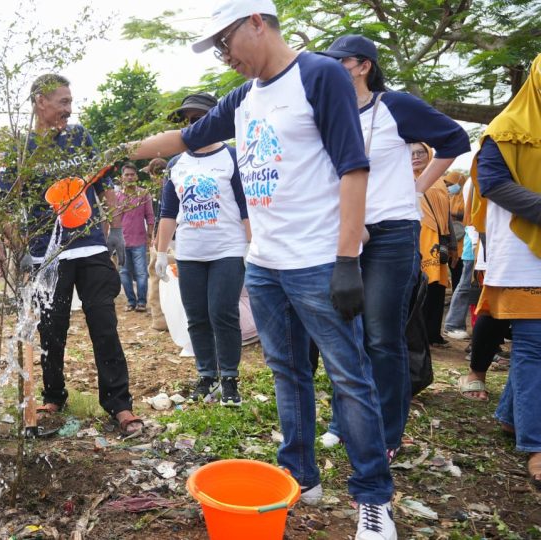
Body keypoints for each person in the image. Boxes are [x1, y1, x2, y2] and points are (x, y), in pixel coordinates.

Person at [126, 2, 396, 537]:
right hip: (266, 264)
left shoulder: (318, 74)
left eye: (227, 42)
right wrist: (116, 152)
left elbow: (353, 167)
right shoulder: (243, 97)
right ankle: (300, 472)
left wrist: (346, 259)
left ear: (257, 21)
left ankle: (373, 499)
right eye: (217, 49)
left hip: (318, 260)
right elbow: (185, 138)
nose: (226, 56)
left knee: (350, 376)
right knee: (288, 371)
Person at [315, 35, 470, 455]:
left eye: (337, 63)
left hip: (390, 233)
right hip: (345, 233)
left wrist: (417, 186)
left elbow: (455, 139)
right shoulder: (326, 113)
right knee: (344, 332)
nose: (327, 71)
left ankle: (385, 434)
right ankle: (342, 420)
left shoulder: (393, 107)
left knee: (382, 336)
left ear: (362, 66)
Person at [0, 73, 142, 438]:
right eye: (62, 101)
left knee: (104, 327)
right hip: (48, 255)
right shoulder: (21, 147)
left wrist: (116, 231)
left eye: (70, 101)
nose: (69, 108)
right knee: (52, 329)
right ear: (40, 102)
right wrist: (18, 251)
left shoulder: (79, 137)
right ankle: (53, 395)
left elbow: (105, 183)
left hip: (91, 246)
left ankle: (119, 405)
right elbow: (6, 204)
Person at [470, 52, 541, 489]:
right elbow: (493, 184)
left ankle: (511, 417)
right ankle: (537, 445)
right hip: (523, 253)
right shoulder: (504, 130)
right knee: (533, 346)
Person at [154, 92, 250, 404]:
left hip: (227, 249)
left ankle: (231, 380)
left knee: (222, 313)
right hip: (190, 251)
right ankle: (206, 376)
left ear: (215, 119)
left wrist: (251, 246)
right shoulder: (176, 163)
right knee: (196, 316)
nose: (194, 124)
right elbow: (168, 212)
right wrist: (160, 252)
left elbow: (245, 206)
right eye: (189, 120)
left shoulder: (232, 156)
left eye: (200, 118)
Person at [414, 143, 454, 346]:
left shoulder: (438, 182)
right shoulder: (404, 179)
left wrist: (451, 243)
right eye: (411, 153)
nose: (415, 157)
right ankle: (417, 334)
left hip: (438, 240)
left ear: (429, 154)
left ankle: (432, 334)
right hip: (417, 237)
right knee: (419, 286)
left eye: (420, 152)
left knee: (437, 287)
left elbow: (446, 217)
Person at [116, 162, 154, 312]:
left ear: (137, 177)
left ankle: (142, 302)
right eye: (127, 175)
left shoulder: (144, 194)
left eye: (132, 174)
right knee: (124, 273)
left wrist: (151, 236)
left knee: (141, 272)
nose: (130, 177)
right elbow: (112, 219)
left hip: (139, 240)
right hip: (122, 241)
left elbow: (150, 217)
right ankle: (131, 301)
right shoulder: (116, 196)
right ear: (122, 178)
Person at [444, 173, 478, 340]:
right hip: (473, 243)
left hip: (470, 242)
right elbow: (471, 216)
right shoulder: (472, 184)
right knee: (465, 285)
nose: (449, 186)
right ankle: (453, 324)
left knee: (468, 285)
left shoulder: (471, 183)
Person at [144, 158, 169, 331]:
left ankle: (159, 319)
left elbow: (162, 217)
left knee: (155, 277)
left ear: (154, 173)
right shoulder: (173, 184)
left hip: (164, 241)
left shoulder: (162, 190)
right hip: (173, 239)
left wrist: (156, 240)